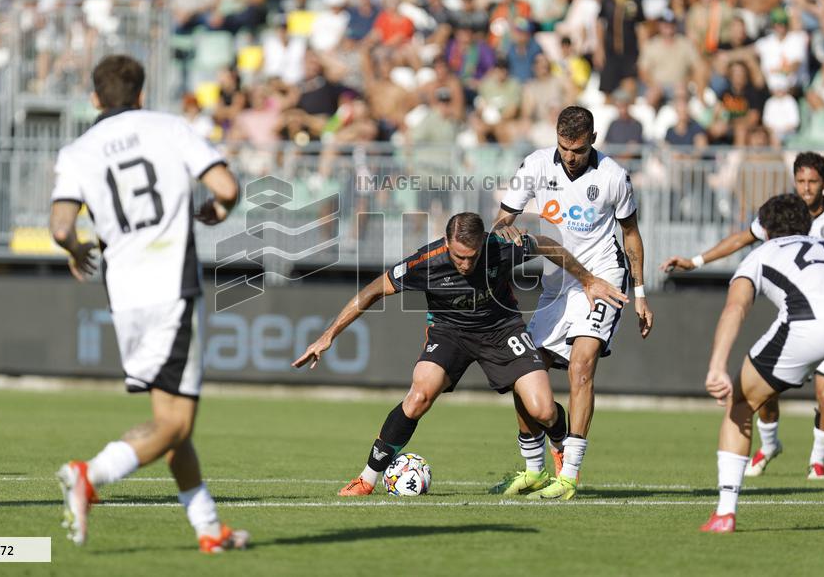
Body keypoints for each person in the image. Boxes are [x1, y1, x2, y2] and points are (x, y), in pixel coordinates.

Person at [49, 55, 247, 552]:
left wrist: (76, 250)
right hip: (171, 286)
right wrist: (218, 210)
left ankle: (209, 529)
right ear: (140, 94)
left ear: (95, 98)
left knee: (170, 422)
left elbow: (59, 226)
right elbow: (226, 187)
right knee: (176, 423)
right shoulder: (167, 127)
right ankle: (89, 474)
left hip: (124, 296)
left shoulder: (78, 150)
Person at [292, 212, 629, 496]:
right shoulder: (425, 261)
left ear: (483, 242)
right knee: (418, 396)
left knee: (542, 408)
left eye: (472, 256)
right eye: (458, 257)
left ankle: (557, 447)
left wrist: (587, 280)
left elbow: (547, 245)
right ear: (446, 244)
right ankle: (367, 478)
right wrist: (327, 336)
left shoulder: (500, 247)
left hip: (501, 329)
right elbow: (371, 292)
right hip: (449, 332)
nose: (466, 264)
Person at [661, 152, 824, 475]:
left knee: (820, 397)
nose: (807, 188)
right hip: (810, 317)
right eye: (801, 182)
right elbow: (742, 238)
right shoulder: (781, 215)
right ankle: (770, 444)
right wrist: (697, 261)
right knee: (768, 393)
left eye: (813, 182)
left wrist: (717, 365)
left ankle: (815, 463)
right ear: (794, 182)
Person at [490, 105, 654, 500]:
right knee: (524, 370)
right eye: (564, 148)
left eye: (577, 150)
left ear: (592, 140)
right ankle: (533, 470)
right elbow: (501, 221)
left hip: (601, 279)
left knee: (581, 367)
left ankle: (570, 474)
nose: (569, 157)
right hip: (556, 284)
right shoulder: (535, 165)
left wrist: (641, 293)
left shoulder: (614, 176)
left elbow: (630, 235)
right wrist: (507, 231)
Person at [701, 194, 824, 533]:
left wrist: (717, 365)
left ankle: (725, 513)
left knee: (741, 403)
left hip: (807, 325)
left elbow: (736, 309)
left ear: (767, 230)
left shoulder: (761, 254)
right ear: (807, 224)